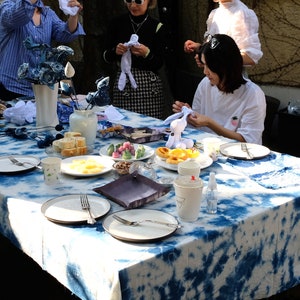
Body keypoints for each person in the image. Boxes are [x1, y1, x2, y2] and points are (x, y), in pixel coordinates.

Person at [173, 34, 266, 145]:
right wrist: (188, 114)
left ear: (226, 66)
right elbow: (196, 125)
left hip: (240, 156)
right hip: (205, 150)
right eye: (204, 65)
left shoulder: (253, 94)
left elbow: (247, 140)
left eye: (210, 66)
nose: (205, 72)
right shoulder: (205, 84)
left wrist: (209, 123)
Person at [0, 0, 85, 101]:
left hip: (40, 89)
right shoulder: (7, 6)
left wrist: (73, 14)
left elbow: (65, 34)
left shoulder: (48, 13)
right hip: (11, 88)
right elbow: (17, 15)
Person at [102, 0, 168, 119]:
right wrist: (115, 52)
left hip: (149, 87)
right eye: (128, 1)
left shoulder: (157, 26)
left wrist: (146, 53)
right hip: (123, 83)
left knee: (149, 129)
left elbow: (159, 63)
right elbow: (106, 56)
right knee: (122, 125)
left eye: (138, 1)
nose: (133, 6)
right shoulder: (116, 23)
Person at [184, 0, 263, 67]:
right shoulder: (215, 13)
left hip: (232, 80)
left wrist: (212, 59)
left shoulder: (243, 14)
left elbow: (251, 57)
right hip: (213, 80)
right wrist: (200, 49)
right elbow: (215, 48)